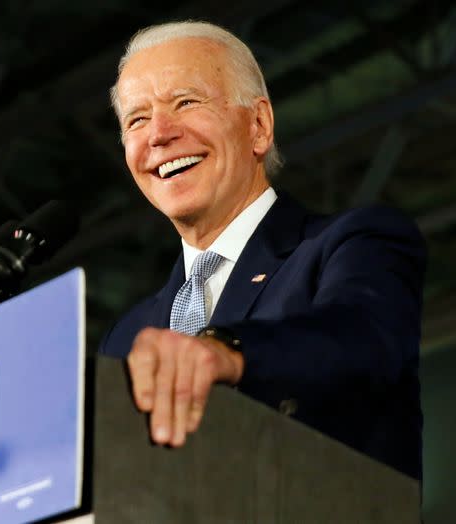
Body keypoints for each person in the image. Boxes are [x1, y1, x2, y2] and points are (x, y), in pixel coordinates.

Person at [98, 21, 426, 482]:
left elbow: (365, 339)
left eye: (186, 102)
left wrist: (227, 351)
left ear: (258, 125)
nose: (159, 134)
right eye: (137, 119)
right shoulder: (124, 337)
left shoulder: (352, 245)